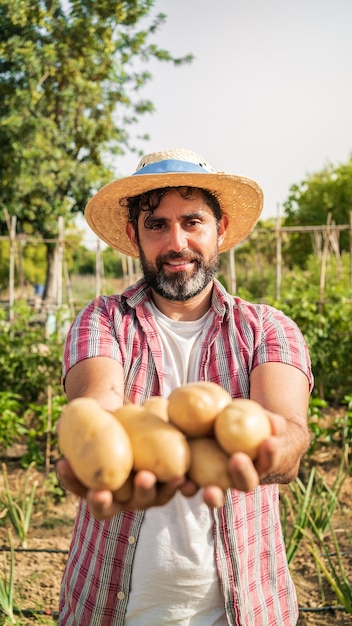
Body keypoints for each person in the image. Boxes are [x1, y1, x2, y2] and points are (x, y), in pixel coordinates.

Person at [56, 147, 313, 626]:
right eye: (156, 225)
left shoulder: (268, 329)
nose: (177, 242)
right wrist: (102, 453)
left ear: (222, 230)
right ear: (134, 234)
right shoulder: (103, 319)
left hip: (247, 609)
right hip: (110, 609)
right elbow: (100, 402)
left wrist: (272, 447)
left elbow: (290, 429)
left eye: (192, 221)